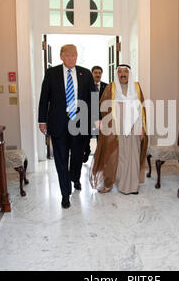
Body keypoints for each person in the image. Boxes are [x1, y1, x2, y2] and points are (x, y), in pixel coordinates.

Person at [38, 44, 96, 209]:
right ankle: (65, 193)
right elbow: (44, 98)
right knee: (61, 159)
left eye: (74, 55)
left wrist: (96, 119)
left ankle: (75, 177)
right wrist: (42, 121)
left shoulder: (85, 73)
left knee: (78, 156)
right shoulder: (52, 73)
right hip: (58, 124)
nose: (72, 58)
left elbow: (93, 97)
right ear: (61, 57)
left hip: (80, 122)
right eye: (68, 55)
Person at [90, 64, 148, 195]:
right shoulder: (111, 88)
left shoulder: (137, 87)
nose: (123, 74)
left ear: (130, 74)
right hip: (117, 128)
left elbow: (141, 109)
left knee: (133, 156)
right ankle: (121, 183)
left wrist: (142, 128)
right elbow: (102, 106)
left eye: (125, 72)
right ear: (117, 74)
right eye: (120, 72)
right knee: (120, 156)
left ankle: (132, 186)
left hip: (134, 128)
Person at [83, 66, 108, 163]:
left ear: (101, 74)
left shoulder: (106, 87)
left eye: (99, 73)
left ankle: (100, 157)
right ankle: (87, 152)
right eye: (95, 73)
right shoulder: (86, 86)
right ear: (92, 74)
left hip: (101, 117)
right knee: (86, 138)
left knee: (100, 138)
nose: (97, 75)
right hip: (88, 117)